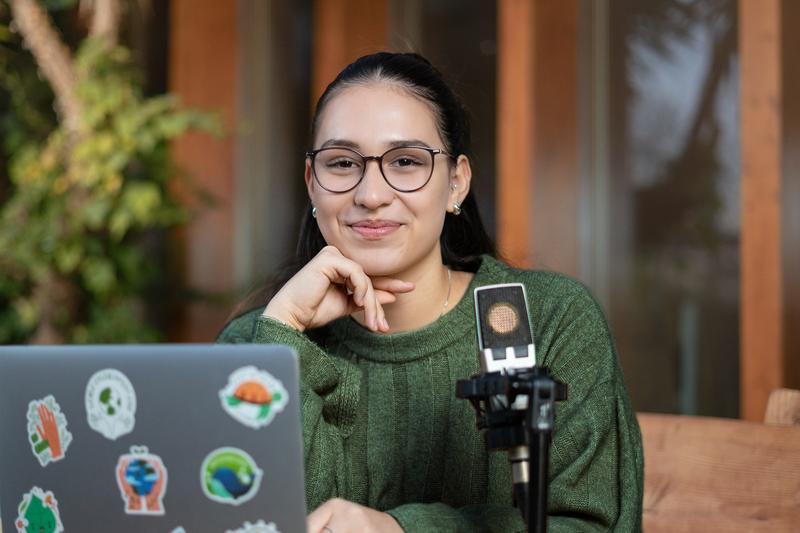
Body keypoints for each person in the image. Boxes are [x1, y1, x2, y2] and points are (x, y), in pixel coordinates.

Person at [217, 52, 644, 532]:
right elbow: (236, 515)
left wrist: (400, 530)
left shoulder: (551, 319)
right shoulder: (257, 342)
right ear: (312, 184)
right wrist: (283, 335)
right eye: (341, 163)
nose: (371, 195)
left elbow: (592, 526)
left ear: (456, 183)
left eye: (405, 161)